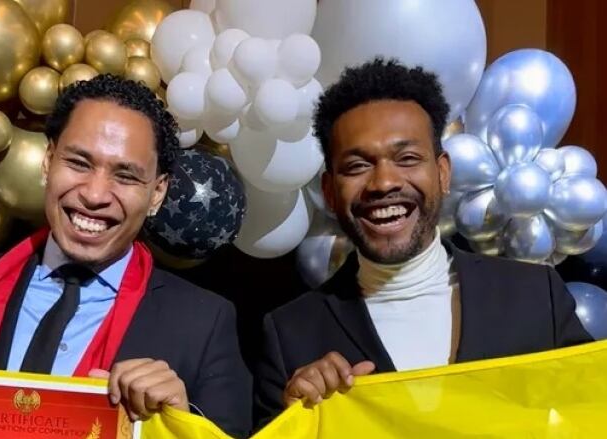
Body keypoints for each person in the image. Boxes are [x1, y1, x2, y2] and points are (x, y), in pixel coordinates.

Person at [0, 75, 252, 437]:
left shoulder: (204, 323)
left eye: (125, 175)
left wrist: (179, 425)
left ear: (157, 192)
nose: (93, 194)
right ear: (48, 162)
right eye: (79, 162)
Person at [252, 58, 593, 426]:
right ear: (330, 193)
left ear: (443, 173)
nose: (383, 182)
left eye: (407, 158)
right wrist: (296, 423)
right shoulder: (290, 335)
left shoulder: (534, 296)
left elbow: (593, 414)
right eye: (357, 166)